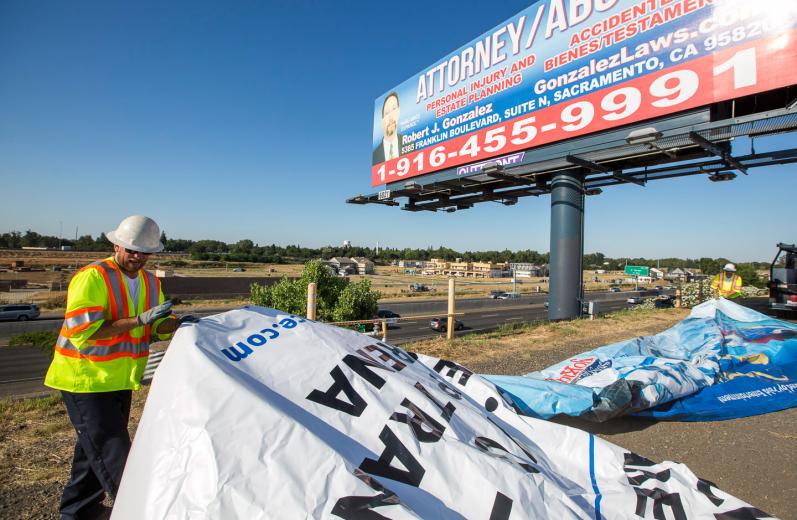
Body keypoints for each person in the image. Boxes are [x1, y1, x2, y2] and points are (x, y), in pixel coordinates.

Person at [45, 215, 178, 519]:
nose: (138, 257)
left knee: (91, 450)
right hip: (85, 379)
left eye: (145, 252)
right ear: (116, 245)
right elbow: (84, 331)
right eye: (132, 250)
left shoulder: (150, 281)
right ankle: (140, 512)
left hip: (119, 379)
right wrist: (138, 320)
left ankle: (80, 510)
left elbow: (156, 328)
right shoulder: (93, 277)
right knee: (114, 453)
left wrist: (174, 324)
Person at [372, 91, 403, 165]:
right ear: (382, 120)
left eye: (394, 109)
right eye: (386, 113)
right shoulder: (374, 157)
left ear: (398, 112)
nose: (391, 117)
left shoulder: (410, 145)